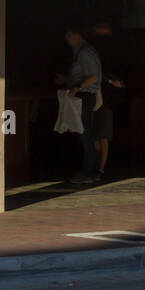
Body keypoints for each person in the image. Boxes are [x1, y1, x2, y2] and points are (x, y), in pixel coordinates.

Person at [56, 26, 101, 184]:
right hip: (82, 95)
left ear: (78, 34)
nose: (66, 38)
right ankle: (90, 171)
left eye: (69, 34)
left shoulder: (85, 53)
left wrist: (77, 87)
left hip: (84, 96)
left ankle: (90, 172)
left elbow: (94, 76)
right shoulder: (80, 52)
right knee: (83, 132)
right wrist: (68, 81)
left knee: (84, 133)